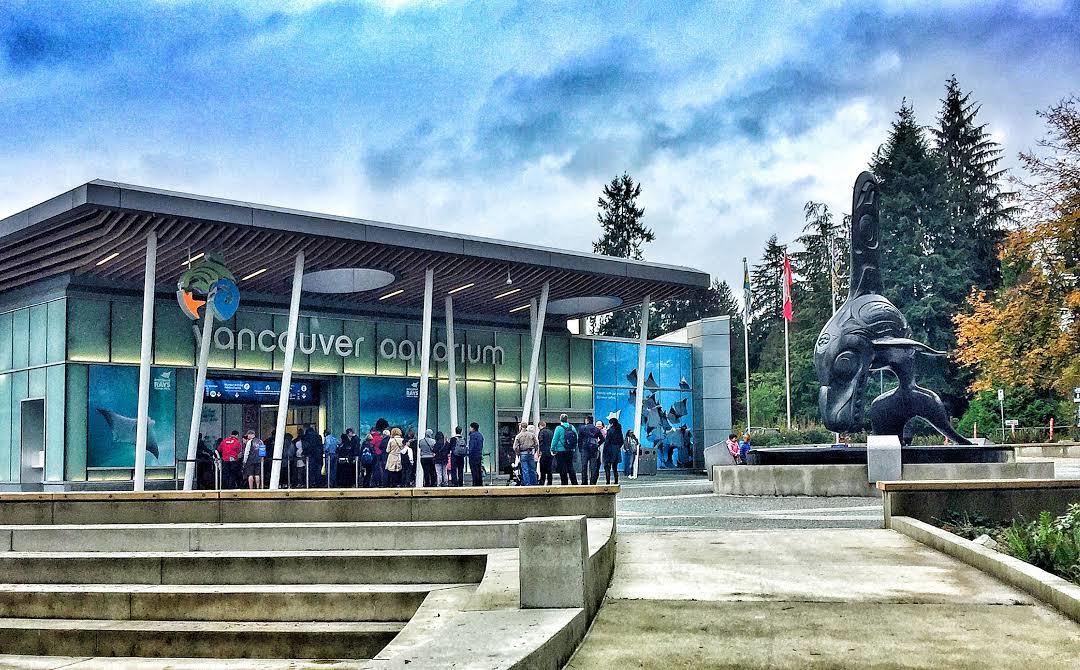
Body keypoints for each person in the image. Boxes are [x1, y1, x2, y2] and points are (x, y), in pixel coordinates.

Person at [551, 414, 578, 485]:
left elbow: (555, 440)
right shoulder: (572, 427)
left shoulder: (558, 428)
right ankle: (574, 483)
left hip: (560, 451)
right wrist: (574, 448)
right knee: (570, 466)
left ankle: (564, 483)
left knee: (562, 467)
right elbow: (576, 438)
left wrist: (552, 449)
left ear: (560, 419)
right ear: (567, 419)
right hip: (570, 450)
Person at [513, 421, 539, 486]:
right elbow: (536, 444)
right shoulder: (532, 435)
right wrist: (535, 451)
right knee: (532, 469)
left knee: (525, 469)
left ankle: (527, 483)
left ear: (521, 427)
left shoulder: (519, 436)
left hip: (523, 453)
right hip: (530, 453)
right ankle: (534, 483)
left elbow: (515, 447)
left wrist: (517, 453)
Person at [579, 417, 602, 486]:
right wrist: (598, 444)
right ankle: (593, 482)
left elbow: (579, 439)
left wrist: (580, 448)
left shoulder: (582, 428)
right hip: (594, 450)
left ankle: (584, 482)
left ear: (587, 421)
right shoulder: (597, 429)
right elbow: (602, 439)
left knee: (584, 466)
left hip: (585, 449)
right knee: (593, 467)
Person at [601, 417, 623, 485]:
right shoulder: (619, 431)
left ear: (612, 423)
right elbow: (622, 441)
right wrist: (617, 447)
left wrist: (605, 452)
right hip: (617, 450)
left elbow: (607, 442)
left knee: (607, 467)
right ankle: (616, 481)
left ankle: (608, 482)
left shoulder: (610, 431)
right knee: (615, 467)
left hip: (610, 450)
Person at [369, 419, 389, 487]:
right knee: (382, 469)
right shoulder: (381, 438)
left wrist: (373, 451)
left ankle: (376, 482)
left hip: (375, 455)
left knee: (376, 469)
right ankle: (382, 482)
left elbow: (371, 445)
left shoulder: (374, 438)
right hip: (382, 454)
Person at [467, 422, 485, 487]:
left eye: (470, 427)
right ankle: (480, 483)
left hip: (473, 456)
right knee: (478, 470)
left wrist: (468, 453)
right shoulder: (480, 435)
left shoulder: (473, 435)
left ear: (473, 428)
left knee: (474, 470)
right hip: (479, 455)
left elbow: (471, 446)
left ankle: (475, 483)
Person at [537, 421, 554, 486]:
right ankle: (550, 482)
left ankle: (542, 481)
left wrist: (539, 451)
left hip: (544, 452)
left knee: (542, 468)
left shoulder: (541, 432)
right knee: (549, 468)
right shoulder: (550, 432)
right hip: (550, 452)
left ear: (540, 426)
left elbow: (540, 442)